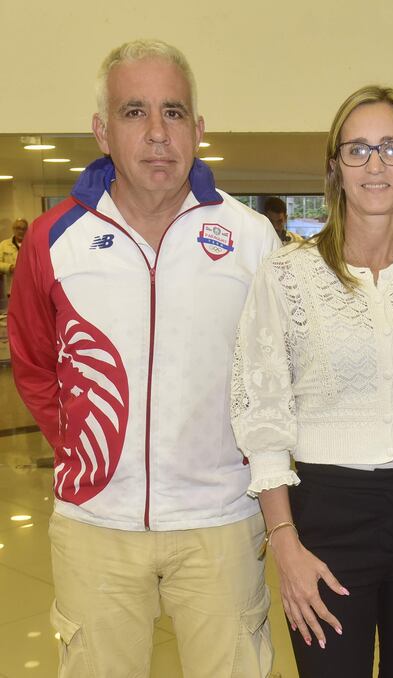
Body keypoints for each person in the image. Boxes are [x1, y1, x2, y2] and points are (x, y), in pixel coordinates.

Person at [8, 39, 278, 678]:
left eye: (174, 112)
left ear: (199, 129)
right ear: (102, 130)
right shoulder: (55, 240)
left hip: (221, 518)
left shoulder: (249, 239)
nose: (158, 133)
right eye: (135, 112)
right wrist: (83, 445)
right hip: (95, 523)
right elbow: (34, 360)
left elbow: (274, 374)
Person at [231, 85, 393, 678]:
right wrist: (285, 542)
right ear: (335, 168)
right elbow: (263, 421)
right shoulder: (288, 277)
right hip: (328, 517)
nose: (376, 164)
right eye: (359, 150)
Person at [0, 217, 28, 301]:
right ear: (13, 229)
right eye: (18, 228)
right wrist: (9, 267)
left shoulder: (31, 244)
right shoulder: (4, 244)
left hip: (29, 289)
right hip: (11, 289)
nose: (21, 231)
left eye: (23, 229)